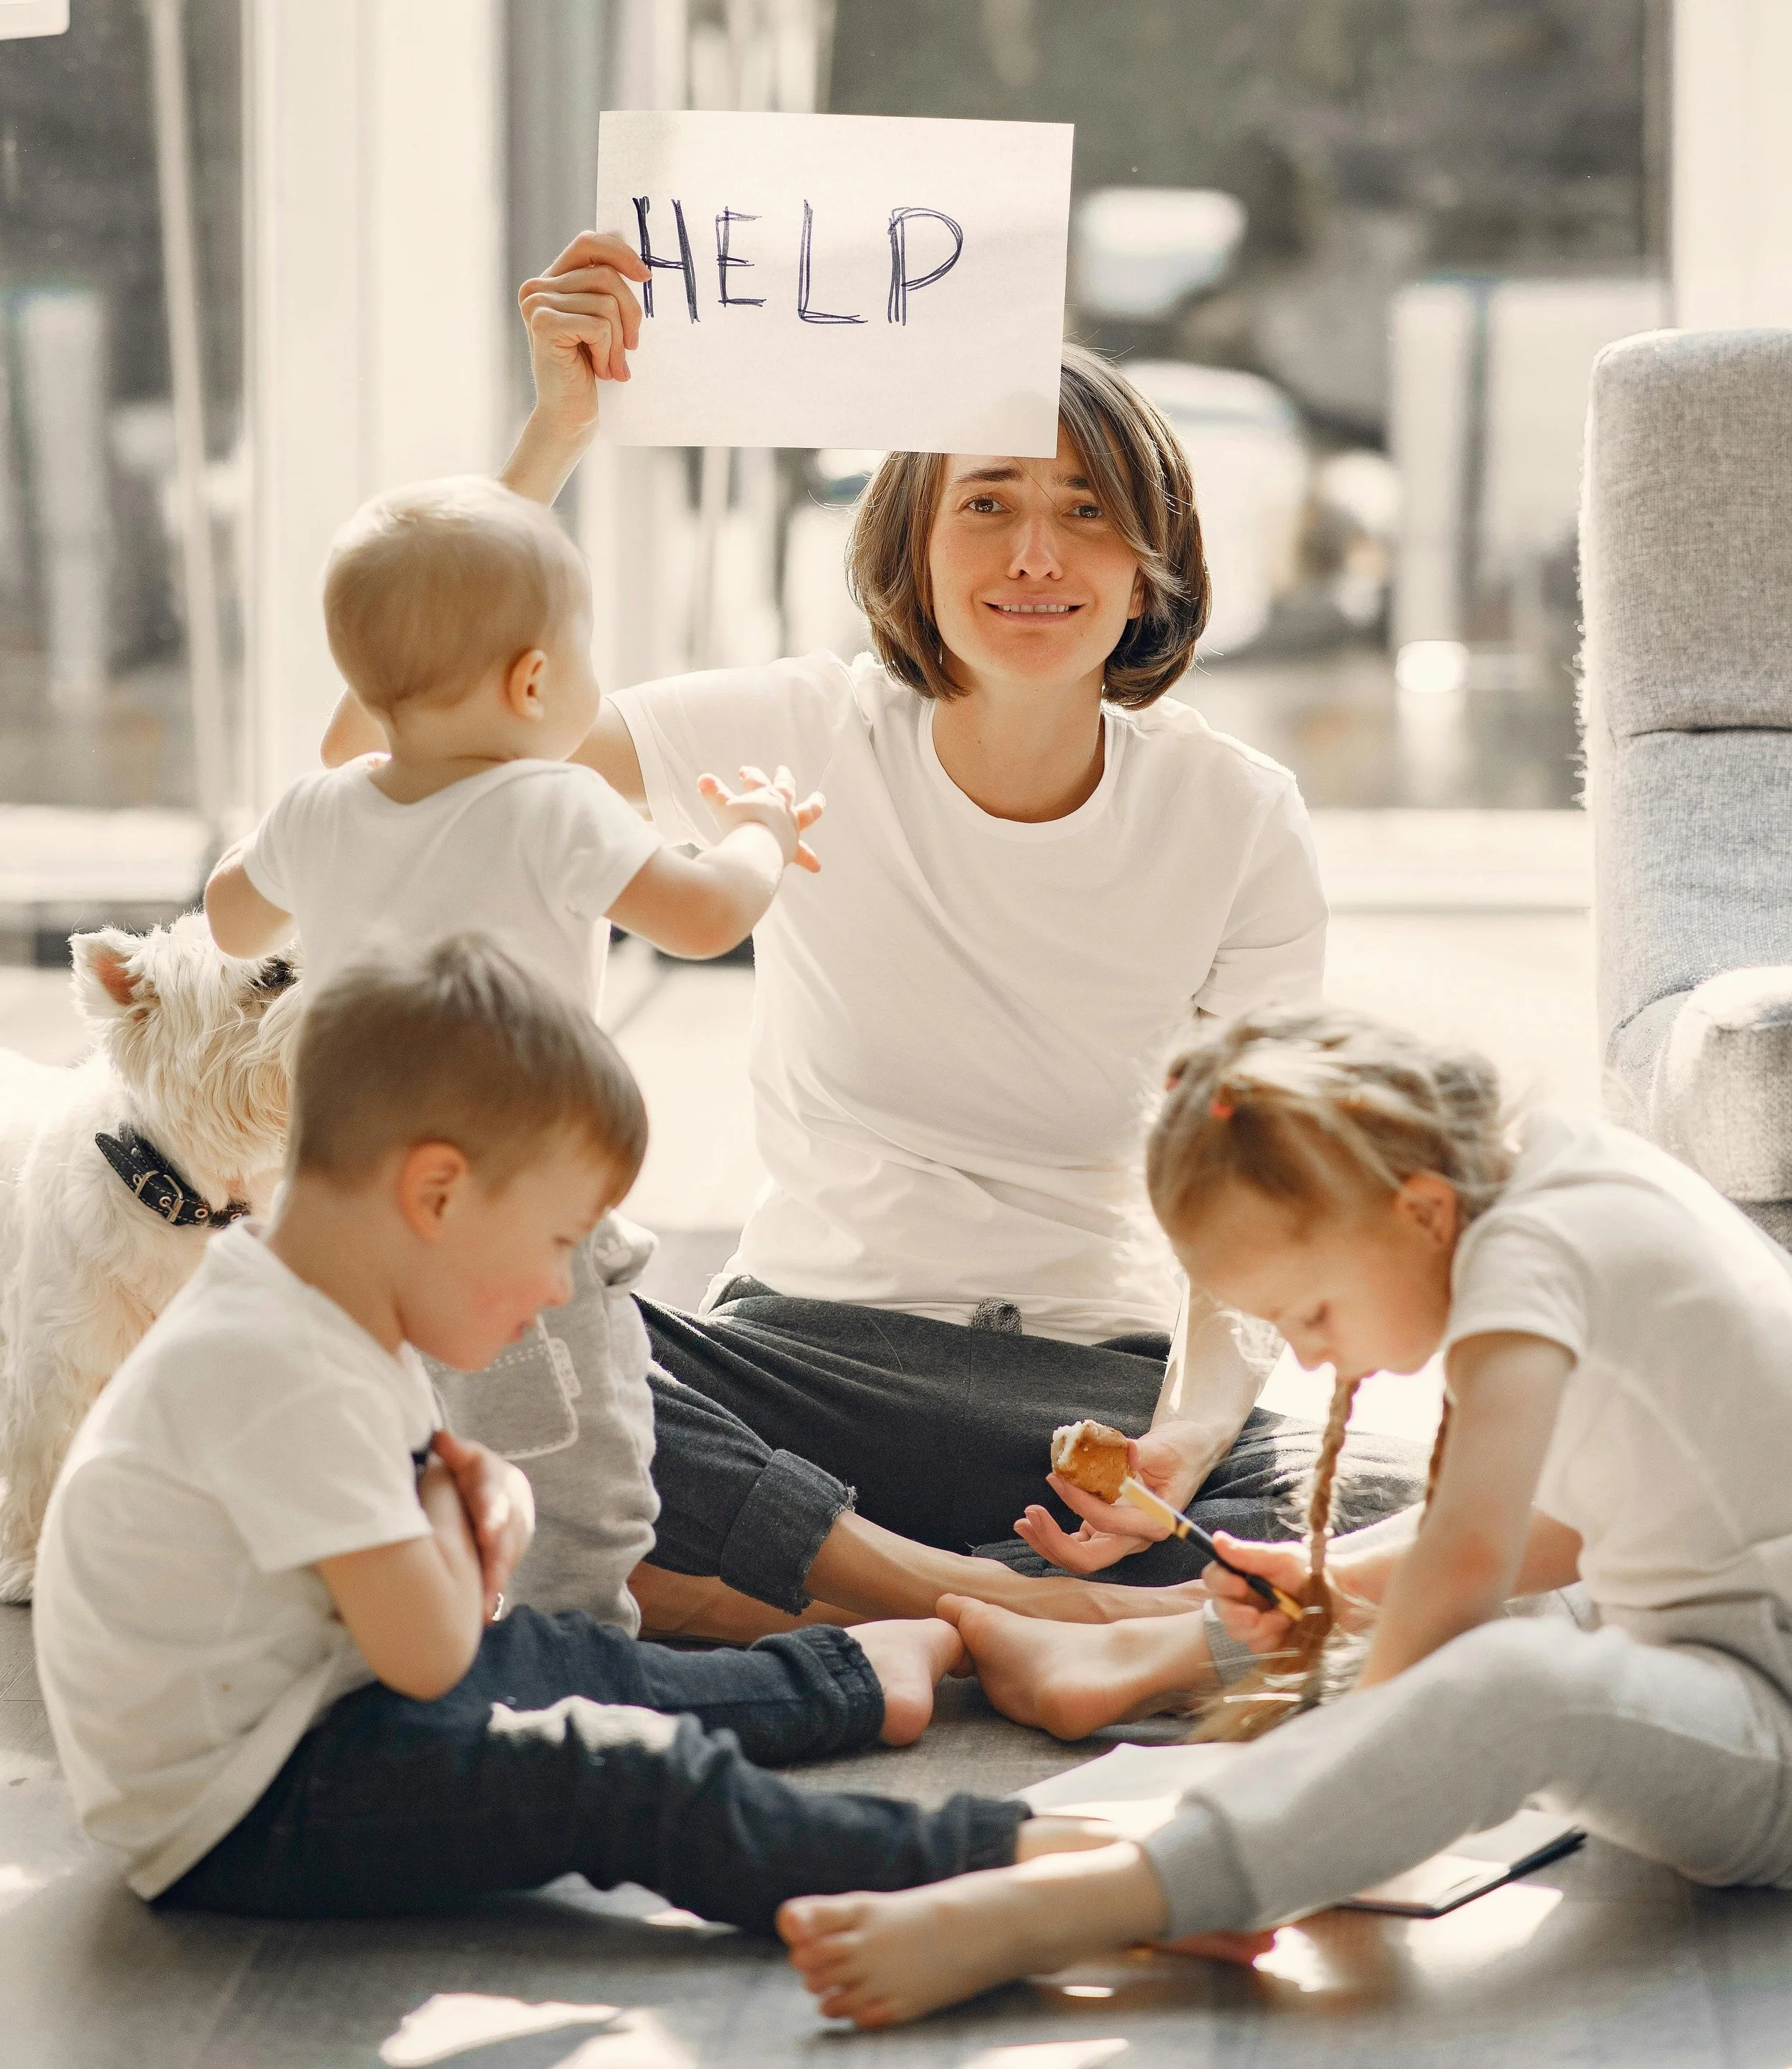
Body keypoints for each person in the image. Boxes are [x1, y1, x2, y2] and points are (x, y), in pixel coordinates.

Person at [325, 232, 1426, 1643]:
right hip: (792, 1368)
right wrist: (558, 431)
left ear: (1153, 568)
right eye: (986, 503)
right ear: (912, 537)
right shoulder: (803, 725)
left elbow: (1261, 1193)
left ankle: (831, 1611)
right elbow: (391, 746)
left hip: (1086, 1396)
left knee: (1484, 1503)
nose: (1033, 554)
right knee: (489, 1340)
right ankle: (982, 1608)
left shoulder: (1238, 818)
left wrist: (1187, 1443)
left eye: (1084, 511)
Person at [30, 937, 1109, 1930]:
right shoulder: (279, 1372)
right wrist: (486, 1527)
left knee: (565, 1654)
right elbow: (432, 1649)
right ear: (437, 1193)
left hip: (308, 1700)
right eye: (555, 1241)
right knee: (617, 1779)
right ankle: (999, 1862)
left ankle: (847, 1678)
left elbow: (414, 1584)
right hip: (249, 1807)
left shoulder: (321, 1304)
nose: (558, 1285)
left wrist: (457, 1523)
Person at [776, 1002, 1792, 2025]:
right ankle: (1146, 1675)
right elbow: (1570, 1525)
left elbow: (1465, 1564)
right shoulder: (1561, 1182)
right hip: (1718, 1647)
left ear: (1424, 1211)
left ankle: (1083, 1901)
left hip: (1772, 1724)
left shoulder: (1527, 1265)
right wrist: (1338, 1587)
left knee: (1511, 1679)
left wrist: (1356, 1771)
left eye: (1309, 1314)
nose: (1307, 1357)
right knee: (1493, 1617)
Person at [201, 474, 823, 1633]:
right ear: (536, 679)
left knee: (399, 1435)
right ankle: (578, 1652)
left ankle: (420, 1627)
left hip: (351, 1211)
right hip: (517, 1214)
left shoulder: (317, 810)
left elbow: (231, 923)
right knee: (575, 1462)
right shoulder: (555, 804)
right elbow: (703, 918)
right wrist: (762, 832)